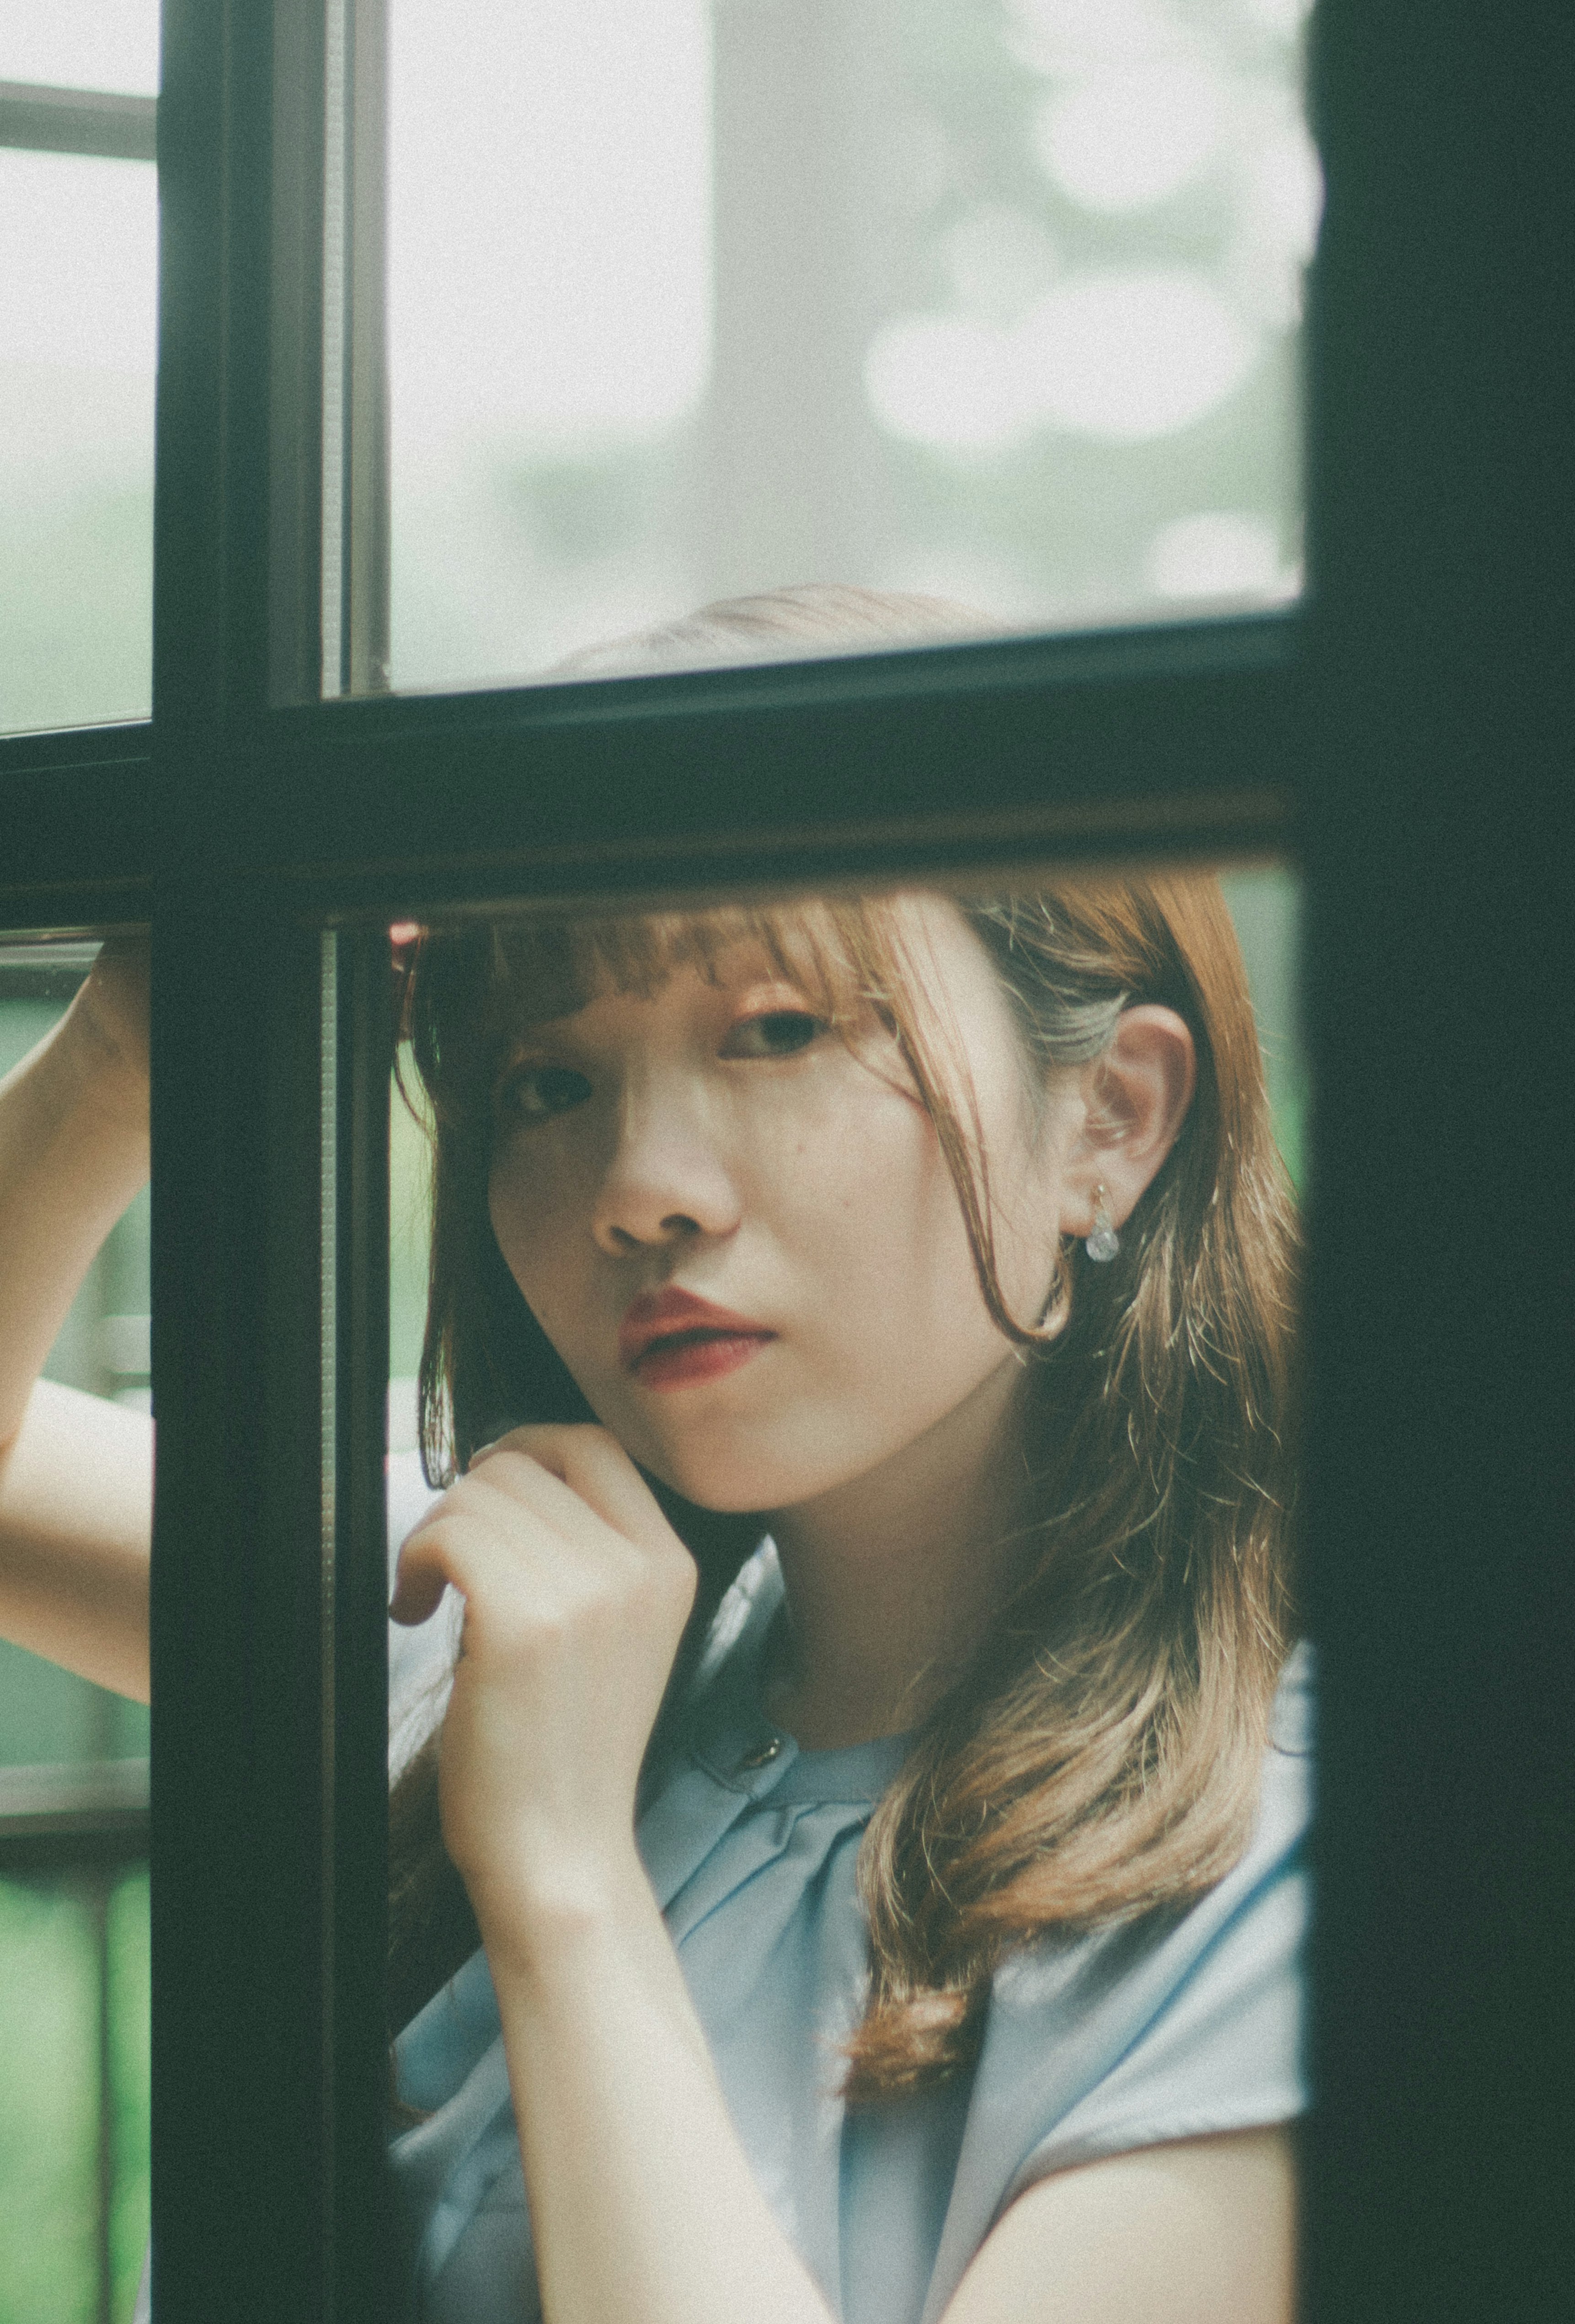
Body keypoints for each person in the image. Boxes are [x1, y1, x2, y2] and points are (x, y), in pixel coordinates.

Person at [0, 600, 1309, 2324]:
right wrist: (116, 1061)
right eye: (543, 1085)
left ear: (1112, 1120)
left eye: (774, 1032)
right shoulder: (512, 1608)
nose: (639, 1186)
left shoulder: (1291, 1875)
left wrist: (560, 1882)